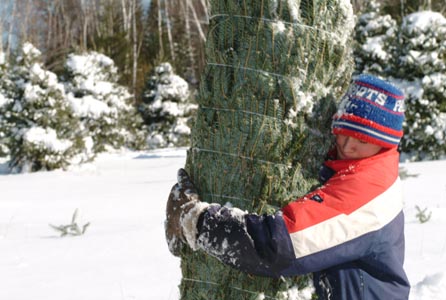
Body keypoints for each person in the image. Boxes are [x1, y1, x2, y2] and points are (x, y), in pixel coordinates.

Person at [165, 74, 410, 299]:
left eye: (363, 139)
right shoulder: (364, 169)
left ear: (385, 143)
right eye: (345, 131)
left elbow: (283, 245)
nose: (348, 145)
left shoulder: (366, 192)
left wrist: (197, 222)